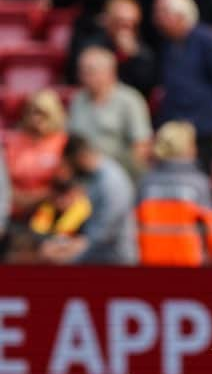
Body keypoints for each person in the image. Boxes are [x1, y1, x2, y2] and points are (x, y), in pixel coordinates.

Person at [155, 0, 212, 174]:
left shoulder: (209, 41)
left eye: (162, 13)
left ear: (179, 15)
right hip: (173, 129)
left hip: (202, 129)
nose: (156, 19)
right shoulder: (168, 44)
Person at [41, 134, 138, 265]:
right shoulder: (94, 178)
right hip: (97, 256)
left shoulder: (110, 182)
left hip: (114, 259)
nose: (71, 172)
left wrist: (66, 252)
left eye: (71, 165)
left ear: (80, 157)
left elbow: (103, 233)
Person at [135, 121, 212, 266]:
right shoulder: (199, 183)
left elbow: (132, 225)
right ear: (188, 148)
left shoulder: (146, 183)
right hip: (188, 263)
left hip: (148, 262)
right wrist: (209, 256)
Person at [68, 47, 153, 180]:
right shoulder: (78, 100)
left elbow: (141, 146)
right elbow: (69, 139)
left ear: (109, 73)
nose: (84, 77)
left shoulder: (129, 100)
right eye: (81, 71)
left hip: (118, 174)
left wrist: (117, 173)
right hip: (81, 174)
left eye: (90, 71)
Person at [67, 0, 157, 100]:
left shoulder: (143, 54)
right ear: (107, 20)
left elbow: (146, 89)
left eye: (131, 24)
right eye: (120, 22)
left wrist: (134, 58)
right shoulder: (91, 47)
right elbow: (75, 77)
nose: (125, 29)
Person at [3, 89, 67, 220]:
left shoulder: (63, 143)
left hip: (50, 213)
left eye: (43, 114)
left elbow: (66, 183)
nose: (36, 118)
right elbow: (4, 180)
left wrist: (42, 198)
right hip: (14, 210)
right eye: (32, 112)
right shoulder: (14, 142)